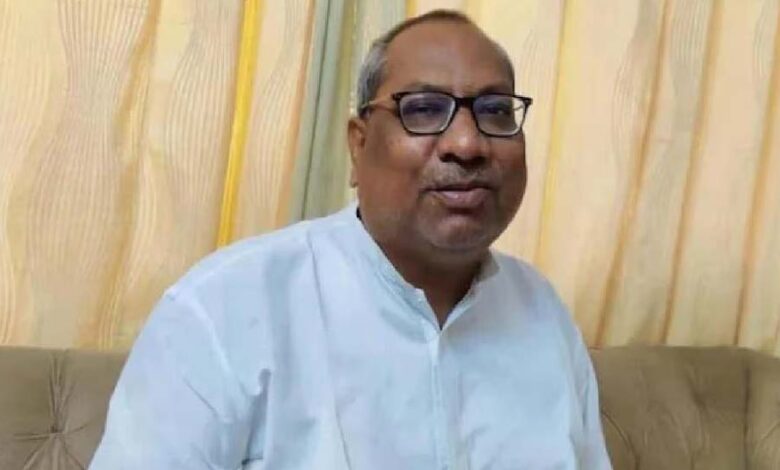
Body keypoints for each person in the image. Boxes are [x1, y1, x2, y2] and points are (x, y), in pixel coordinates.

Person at [90, 9, 612, 470]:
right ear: (358, 147)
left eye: (495, 110)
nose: (467, 143)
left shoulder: (542, 315)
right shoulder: (221, 310)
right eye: (424, 109)